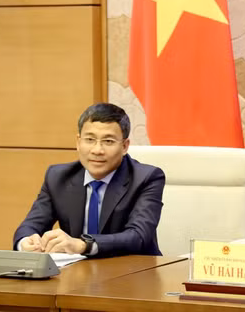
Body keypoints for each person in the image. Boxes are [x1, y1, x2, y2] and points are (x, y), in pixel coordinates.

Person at [13, 103, 164, 257]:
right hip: (77, 274)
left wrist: (83, 245)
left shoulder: (146, 178)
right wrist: (26, 242)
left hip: (135, 272)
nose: (97, 150)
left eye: (108, 141)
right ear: (78, 142)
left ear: (125, 146)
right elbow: (30, 226)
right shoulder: (58, 177)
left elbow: (138, 237)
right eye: (90, 140)